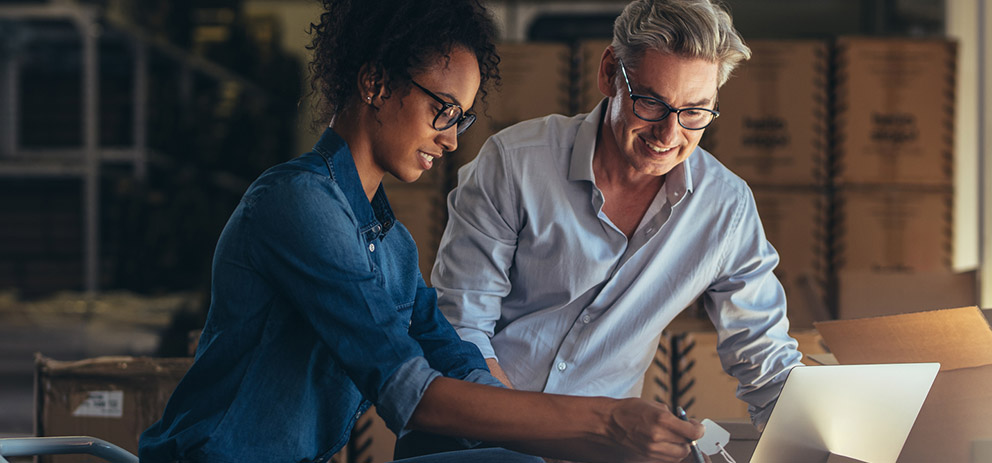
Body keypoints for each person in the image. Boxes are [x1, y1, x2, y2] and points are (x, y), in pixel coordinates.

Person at [137, 1, 701, 462]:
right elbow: (407, 392)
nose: (453, 139)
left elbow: (455, 361)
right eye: (443, 110)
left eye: (462, 118)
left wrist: (576, 443)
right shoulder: (298, 204)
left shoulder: (391, 245)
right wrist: (604, 422)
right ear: (376, 83)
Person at [411, 0, 803, 456]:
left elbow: (766, 362)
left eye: (695, 112)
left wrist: (818, 441)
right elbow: (462, 334)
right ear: (610, 73)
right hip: (473, 441)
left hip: (599, 450)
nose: (669, 136)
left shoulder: (725, 208)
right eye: (651, 103)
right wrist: (542, 437)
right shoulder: (514, 164)